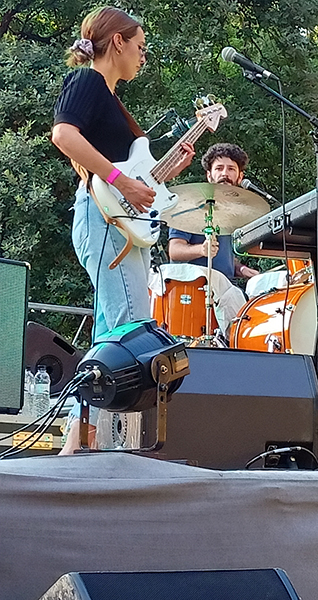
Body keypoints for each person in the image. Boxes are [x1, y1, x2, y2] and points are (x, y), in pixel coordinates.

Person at [51, 7, 195, 454]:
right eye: (140, 46)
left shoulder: (111, 100)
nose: (143, 56)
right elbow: (63, 136)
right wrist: (122, 181)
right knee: (126, 331)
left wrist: (163, 174)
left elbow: (134, 179)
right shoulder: (87, 81)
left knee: (114, 330)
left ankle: (81, 441)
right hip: (104, 219)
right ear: (117, 42)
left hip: (119, 223)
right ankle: (83, 442)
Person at [167, 143, 259, 281]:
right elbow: (174, 251)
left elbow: (222, 260)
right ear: (209, 175)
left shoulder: (235, 214)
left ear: (240, 177)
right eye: (219, 168)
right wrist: (201, 250)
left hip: (225, 286)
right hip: (191, 285)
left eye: (231, 169)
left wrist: (241, 269)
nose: (224, 173)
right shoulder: (189, 205)